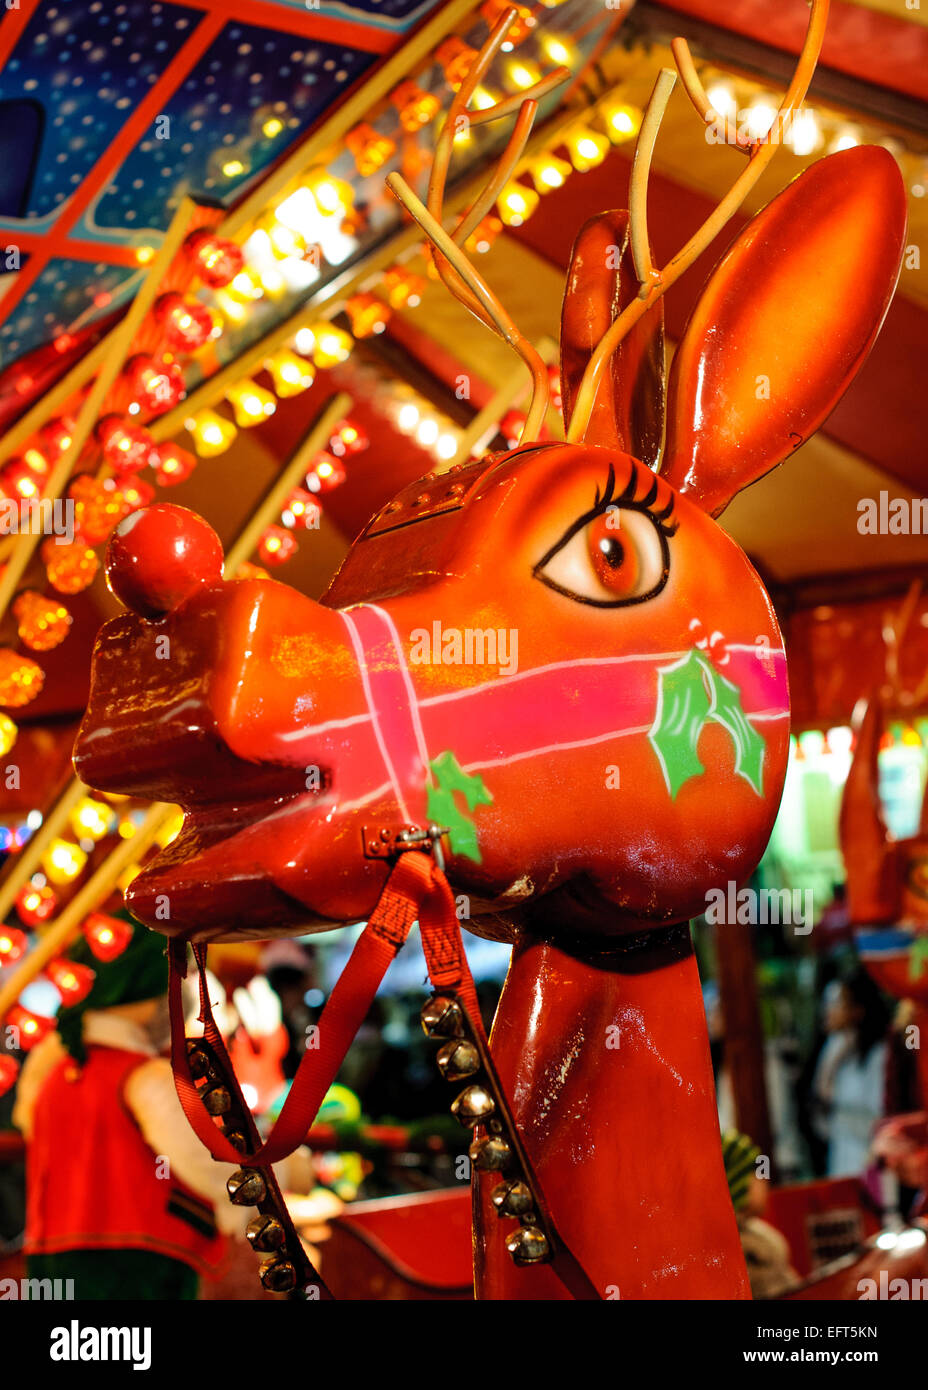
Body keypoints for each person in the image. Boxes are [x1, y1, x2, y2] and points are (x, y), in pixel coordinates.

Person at [13, 921, 331, 1299]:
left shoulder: (50, 1078)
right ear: (145, 994)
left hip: (50, 1263)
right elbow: (207, 1160)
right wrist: (292, 1170)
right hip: (140, 1269)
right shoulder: (139, 1077)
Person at [811, 969, 891, 1178]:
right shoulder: (840, 1054)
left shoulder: (879, 1056)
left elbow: (880, 1121)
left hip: (868, 1168)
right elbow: (822, 1122)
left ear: (858, 1009)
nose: (828, 1011)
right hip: (841, 1164)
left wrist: (838, 1116)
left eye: (836, 1003)